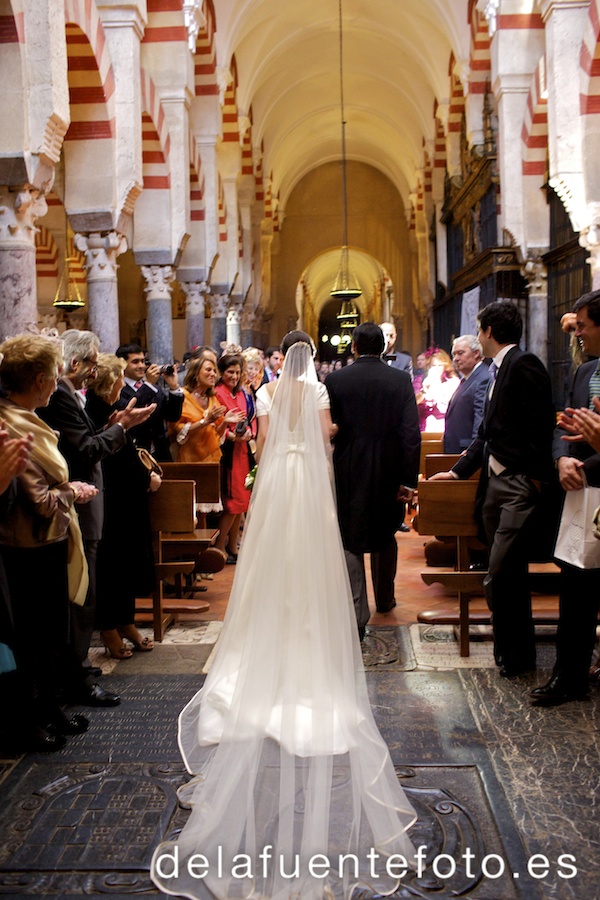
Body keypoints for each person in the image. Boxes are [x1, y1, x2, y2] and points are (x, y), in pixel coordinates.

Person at [151, 332, 416, 899]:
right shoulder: (318, 387)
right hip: (312, 482)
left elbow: (267, 444)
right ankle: (311, 625)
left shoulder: (267, 391)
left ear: (280, 357)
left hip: (278, 481)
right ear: (311, 358)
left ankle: (271, 622)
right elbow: (325, 440)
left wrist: (275, 465)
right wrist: (330, 442)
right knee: (318, 556)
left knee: (271, 556)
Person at [431, 301, 555, 678]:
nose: (477, 334)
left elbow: (540, 424)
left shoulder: (524, 365)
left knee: (500, 570)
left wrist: (533, 479)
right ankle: (514, 655)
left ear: (488, 332)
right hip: (494, 482)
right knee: (508, 571)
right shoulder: (496, 369)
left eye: (479, 329)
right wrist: (456, 472)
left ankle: (515, 651)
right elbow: (485, 435)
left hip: (517, 483)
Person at [39, 330, 153, 705]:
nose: (94, 370)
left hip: (83, 503)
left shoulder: (69, 396)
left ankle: (77, 671)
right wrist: (121, 428)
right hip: (77, 504)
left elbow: (86, 443)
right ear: (77, 364)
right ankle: (77, 675)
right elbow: (85, 450)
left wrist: (115, 426)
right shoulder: (60, 397)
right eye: (91, 362)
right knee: (81, 594)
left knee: (83, 590)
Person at [0, 334, 98, 750]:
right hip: (27, 546)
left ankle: (51, 707)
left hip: (51, 540)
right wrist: (72, 492)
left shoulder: (29, 415)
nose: (59, 382)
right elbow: (38, 500)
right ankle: (29, 719)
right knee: (32, 640)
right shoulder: (8, 423)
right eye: (55, 375)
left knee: (52, 634)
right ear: (39, 380)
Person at [325, 322, 421, 637]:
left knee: (350, 536)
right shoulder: (399, 379)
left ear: (353, 346)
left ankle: (357, 612)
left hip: (348, 467)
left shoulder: (336, 380)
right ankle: (385, 598)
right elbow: (410, 433)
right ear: (383, 348)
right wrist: (409, 479)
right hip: (389, 468)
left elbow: (330, 427)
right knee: (385, 532)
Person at [530, 289, 600, 705]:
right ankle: (568, 677)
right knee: (575, 589)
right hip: (581, 494)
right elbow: (562, 426)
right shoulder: (582, 372)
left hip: (591, 479)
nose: (578, 335)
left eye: (584, 326)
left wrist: (585, 466)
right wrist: (561, 462)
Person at [85, 354, 160, 659]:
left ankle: (126, 622)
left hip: (128, 502)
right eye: (118, 378)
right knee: (111, 567)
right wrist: (145, 477)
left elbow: (126, 449)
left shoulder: (113, 408)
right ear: (108, 382)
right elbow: (110, 458)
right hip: (112, 502)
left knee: (126, 565)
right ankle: (108, 629)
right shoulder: (96, 410)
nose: (122, 383)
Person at [214, 352, 254, 560]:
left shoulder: (240, 393)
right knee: (232, 501)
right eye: (230, 372)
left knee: (242, 500)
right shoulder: (218, 393)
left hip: (242, 450)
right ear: (222, 373)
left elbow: (250, 418)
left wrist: (249, 433)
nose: (234, 376)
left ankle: (232, 546)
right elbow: (217, 424)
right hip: (228, 452)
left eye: (238, 372)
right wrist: (232, 436)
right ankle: (219, 547)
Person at [115, 343, 184, 461]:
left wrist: (174, 388)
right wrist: (148, 384)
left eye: (143, 361)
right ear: (122, 364)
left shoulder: (154, 388)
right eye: (135, 362)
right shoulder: (118, 388)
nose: (141, 366)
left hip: (160, 452)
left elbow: (172, 416)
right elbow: (131, 411)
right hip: (134, 453)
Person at [443, 334, 491, 453]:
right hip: (457, 448)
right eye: (454, 354)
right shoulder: (468, 378)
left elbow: (480, 418)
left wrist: (473, 451)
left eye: (460, 353)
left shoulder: (483, 378)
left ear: (476, 353)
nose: (456, 359)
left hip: (466, 451)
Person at [417, 348, 460, 432]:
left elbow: (446, 406)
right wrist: (424, 391)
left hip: (443, 426)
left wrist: (436, 385)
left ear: (445, 366)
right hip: (423, 427)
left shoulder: (453, 382)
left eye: (440, 365)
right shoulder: (420, 380)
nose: (437, 368)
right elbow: (414, 402)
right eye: (433, 365)